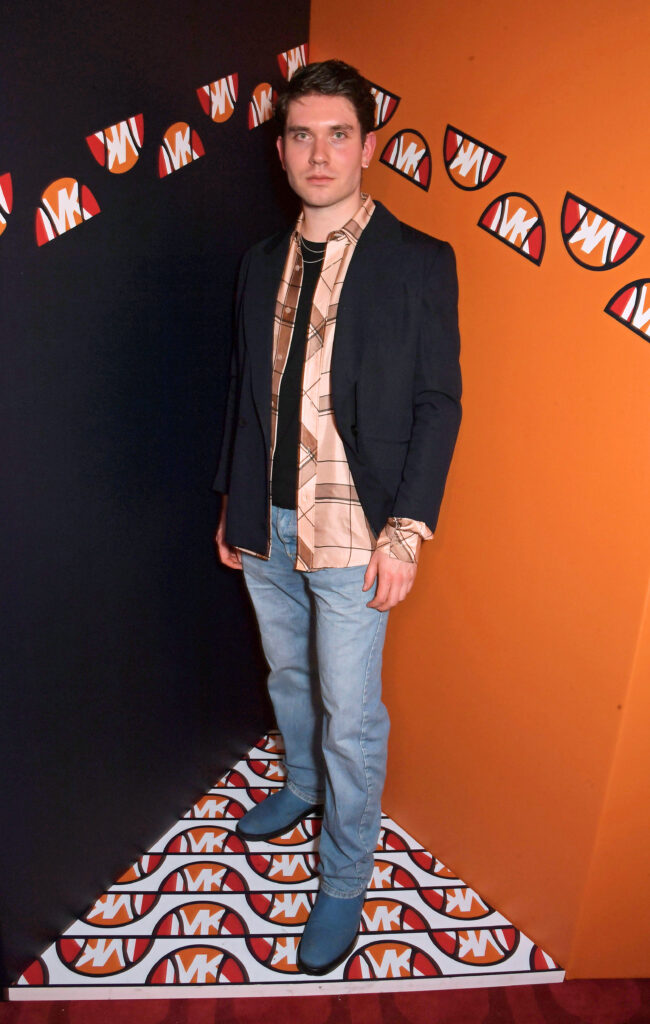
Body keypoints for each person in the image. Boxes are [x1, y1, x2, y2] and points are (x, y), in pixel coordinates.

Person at [214, 59, 461, 975]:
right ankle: (300, 785)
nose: (319, 154)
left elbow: (439, 403)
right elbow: (246, 391)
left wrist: (407, 533)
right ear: (282, 151)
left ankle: (347, 879)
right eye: (301, 135)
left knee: (350, 716)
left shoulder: (419, 260)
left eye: (338, 135)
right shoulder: (258, 263)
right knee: (289, 677)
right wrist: (234, 504)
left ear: (367, 147)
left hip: (357, 530)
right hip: (267, 522)